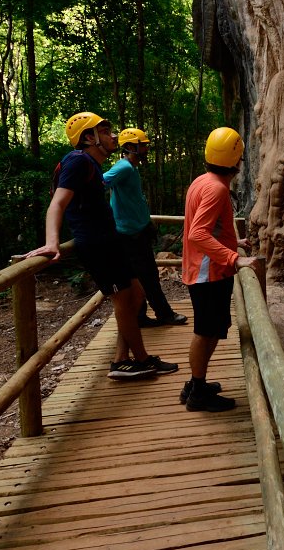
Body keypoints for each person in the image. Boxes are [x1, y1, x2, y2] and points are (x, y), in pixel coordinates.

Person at [24, 111, 178, 380]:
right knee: (124, 299)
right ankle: (139, 360)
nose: (113, 136)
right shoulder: (77, 162)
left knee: (137, 293)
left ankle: (122, 359)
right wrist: (52, 243)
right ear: (88, 137)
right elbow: (57, 203)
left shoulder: (91, 165)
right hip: (97, 244)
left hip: (110, 240)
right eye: (105, 131)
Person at [180, 126, 258, 412]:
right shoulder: (216, 188)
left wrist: (234, 241)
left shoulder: (203, 181)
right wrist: (234, 257)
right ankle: (197, 392)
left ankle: (194, 384)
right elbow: (198, 234)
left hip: (205, 269)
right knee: (205, 332)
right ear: (236, 158)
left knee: (211, 329)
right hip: (208, 273)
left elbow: (208, 228)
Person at [103, 128, 188, 328]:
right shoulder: (123, 167)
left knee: (141, 277)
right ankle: (164, 314)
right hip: (129, 236)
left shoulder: (131, 168)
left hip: (136, 232)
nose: (146, 148)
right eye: (143, 145)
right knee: (148, 277)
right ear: (131, 146)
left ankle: (140, 317)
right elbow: (101, 181)